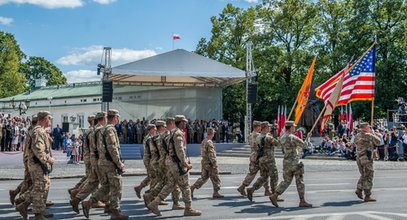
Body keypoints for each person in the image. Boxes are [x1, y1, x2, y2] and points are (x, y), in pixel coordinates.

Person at [147, 115, 201, 216]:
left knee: (170, 185)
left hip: (171, 164)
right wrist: (185, 164)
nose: (185, 123)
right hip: (178, 165)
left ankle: (154, 203)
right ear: (180, 122)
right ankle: (188, 209)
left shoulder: (172, 133)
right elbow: (180, 150)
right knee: (185, 186)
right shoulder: (178, 134)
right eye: (184, 122)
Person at [82, 109, 128, 219]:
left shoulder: (101, 129)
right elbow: (112, 148)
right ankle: (115, 212)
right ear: (115, 117)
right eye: (118, 117)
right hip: (110, 163)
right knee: (116, 186)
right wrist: (119, 163)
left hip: (102, 162)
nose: (118, 119)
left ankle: (89, 203)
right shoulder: (110, 129)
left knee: (107, 186)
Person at [16, 111, 55, 220]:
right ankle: (37, 214)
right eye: (49, 119)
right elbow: (38, 150)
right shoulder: (38, 131)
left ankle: (23, 203)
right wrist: (49, 159)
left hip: (38, 163)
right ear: (45, 119)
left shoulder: (39, 130)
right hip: (37, 164)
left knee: (40, 186)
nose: (50, 121)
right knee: (39, 187)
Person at [270, 121, 312, 208]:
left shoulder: (283, 137)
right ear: (291, 127)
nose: (295, 128)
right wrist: (308, 137)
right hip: (295, 163)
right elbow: (304, 146)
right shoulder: (292, 137)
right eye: (294, 127)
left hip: (286, 162)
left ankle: (275, 195)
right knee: (300, 182)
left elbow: (278, 145)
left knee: (286, 181)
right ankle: (302, 200)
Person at [246, 121, 281, 202]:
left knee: (263, 177)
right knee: (274, 177)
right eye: (268, 127)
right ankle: (274, 195)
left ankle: (252, 189)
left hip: (261, 160)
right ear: (265, 128)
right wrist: (278, 135)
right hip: (269, 160)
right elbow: (278, 144)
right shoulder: (268, 137)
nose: (270, 128)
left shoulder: (258, 137)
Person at [237, 121, 270, 196]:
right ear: (257, 127)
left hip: (253, 155)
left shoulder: (250, 135)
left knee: (253, 173)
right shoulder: (258, 135)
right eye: (260, 127)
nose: (261, 128)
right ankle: (267, 190)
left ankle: (243, 186)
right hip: (259, 156)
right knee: (264, 173)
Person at [190, 127, 224, 199]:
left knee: (203, 178)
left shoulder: (204, 141)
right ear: (212, 134)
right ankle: (216, 192)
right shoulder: (209, 142)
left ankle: (192, 188)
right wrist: (214, 164)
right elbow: (211, 154)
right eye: (214, 133)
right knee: (216, 178)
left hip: (204, 162)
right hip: (210, 163)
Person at [354, 122, 380, 202]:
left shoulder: (357, 135)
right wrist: (373, 134)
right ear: (365, 128)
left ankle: (359, 189)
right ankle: (367, 195)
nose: (370, 128)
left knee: (364, 175)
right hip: (366, 157)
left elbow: (355, 143)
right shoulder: (369, 135)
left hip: (359, 157)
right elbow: (378, 142)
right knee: (369, 175)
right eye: (369, 127)